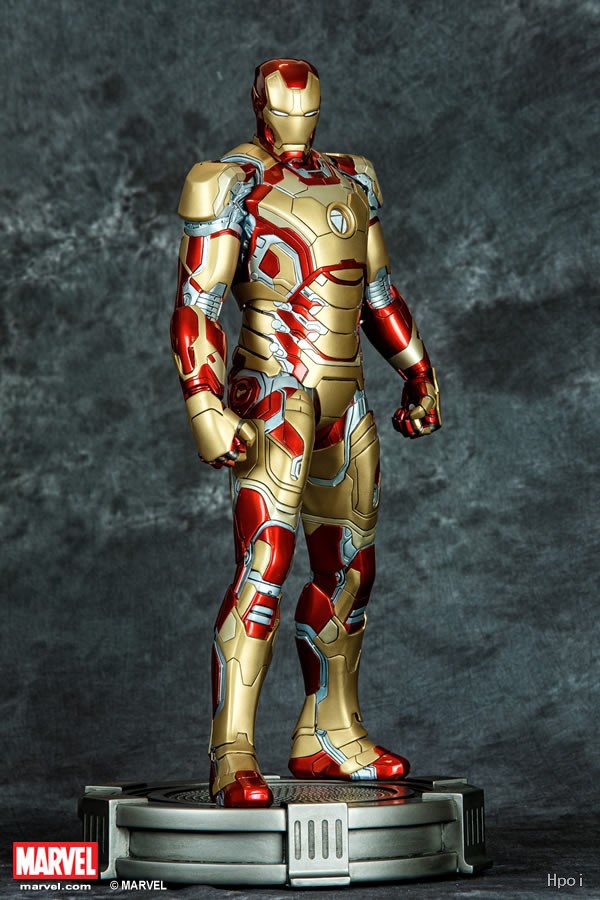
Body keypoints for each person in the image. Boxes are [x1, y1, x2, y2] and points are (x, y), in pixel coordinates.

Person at [170, 58, 441, 808]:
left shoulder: (352, 178)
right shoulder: (228, 182)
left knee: (350, 569)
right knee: (265, 566)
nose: (298, 121)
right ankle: (232, 750)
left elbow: (376, 290)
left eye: (308, 109)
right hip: (275, 394)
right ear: (261, 107)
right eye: (285, 109)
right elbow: (199, 302)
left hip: (344, 396)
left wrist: (417, 370)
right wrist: (204, 403)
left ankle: (329, 733)